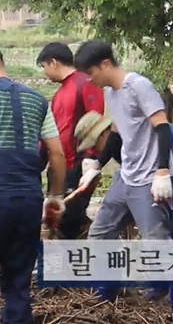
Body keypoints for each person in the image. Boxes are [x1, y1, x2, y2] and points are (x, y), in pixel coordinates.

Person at [73, 40, 173, 324]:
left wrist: (163, 171)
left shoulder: (138, 86)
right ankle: (105, 295)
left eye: (91, 72)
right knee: (100, 233)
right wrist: (97, 164)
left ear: (105, 64)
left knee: (159, 244)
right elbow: (118, 134)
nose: (90, 80)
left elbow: (163, 129)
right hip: (126, 177)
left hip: (147, 180)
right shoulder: (110, 93)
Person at [74, 110, 173, 302]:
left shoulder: (134, 132)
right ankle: (108, 287)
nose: (96, 151)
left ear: (104, 134)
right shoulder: (115, 146)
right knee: (104, 232)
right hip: (150, 176)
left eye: (95, 145)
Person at [0, 48, 67, 324]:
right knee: (19, 281)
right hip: (26, 200)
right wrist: (55, 197)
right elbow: (57, 155)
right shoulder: (37, 99)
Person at [36, 42, 106, 240]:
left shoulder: (85, 83)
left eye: (44, 66)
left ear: (53, 62)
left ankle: (78, 262)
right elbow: (53, 131)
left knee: (70, 220)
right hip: (59, 166)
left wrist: (90, 160)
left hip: (76, 165)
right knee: (55, 218)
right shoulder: (59, 94)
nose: (45, 73)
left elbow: (95, 123)